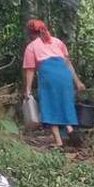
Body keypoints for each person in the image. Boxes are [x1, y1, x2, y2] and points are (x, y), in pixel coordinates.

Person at [22, 19, 85, 148]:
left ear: (30, 33)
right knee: (65, 103)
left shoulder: (31, 47)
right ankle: (70, 130)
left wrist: (28, 90)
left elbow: (30, 70)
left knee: (50, 106)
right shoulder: (57, 42)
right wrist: (77, 81)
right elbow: (68, 63)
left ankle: (58, 141)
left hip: (49, 75)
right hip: (64, 75)